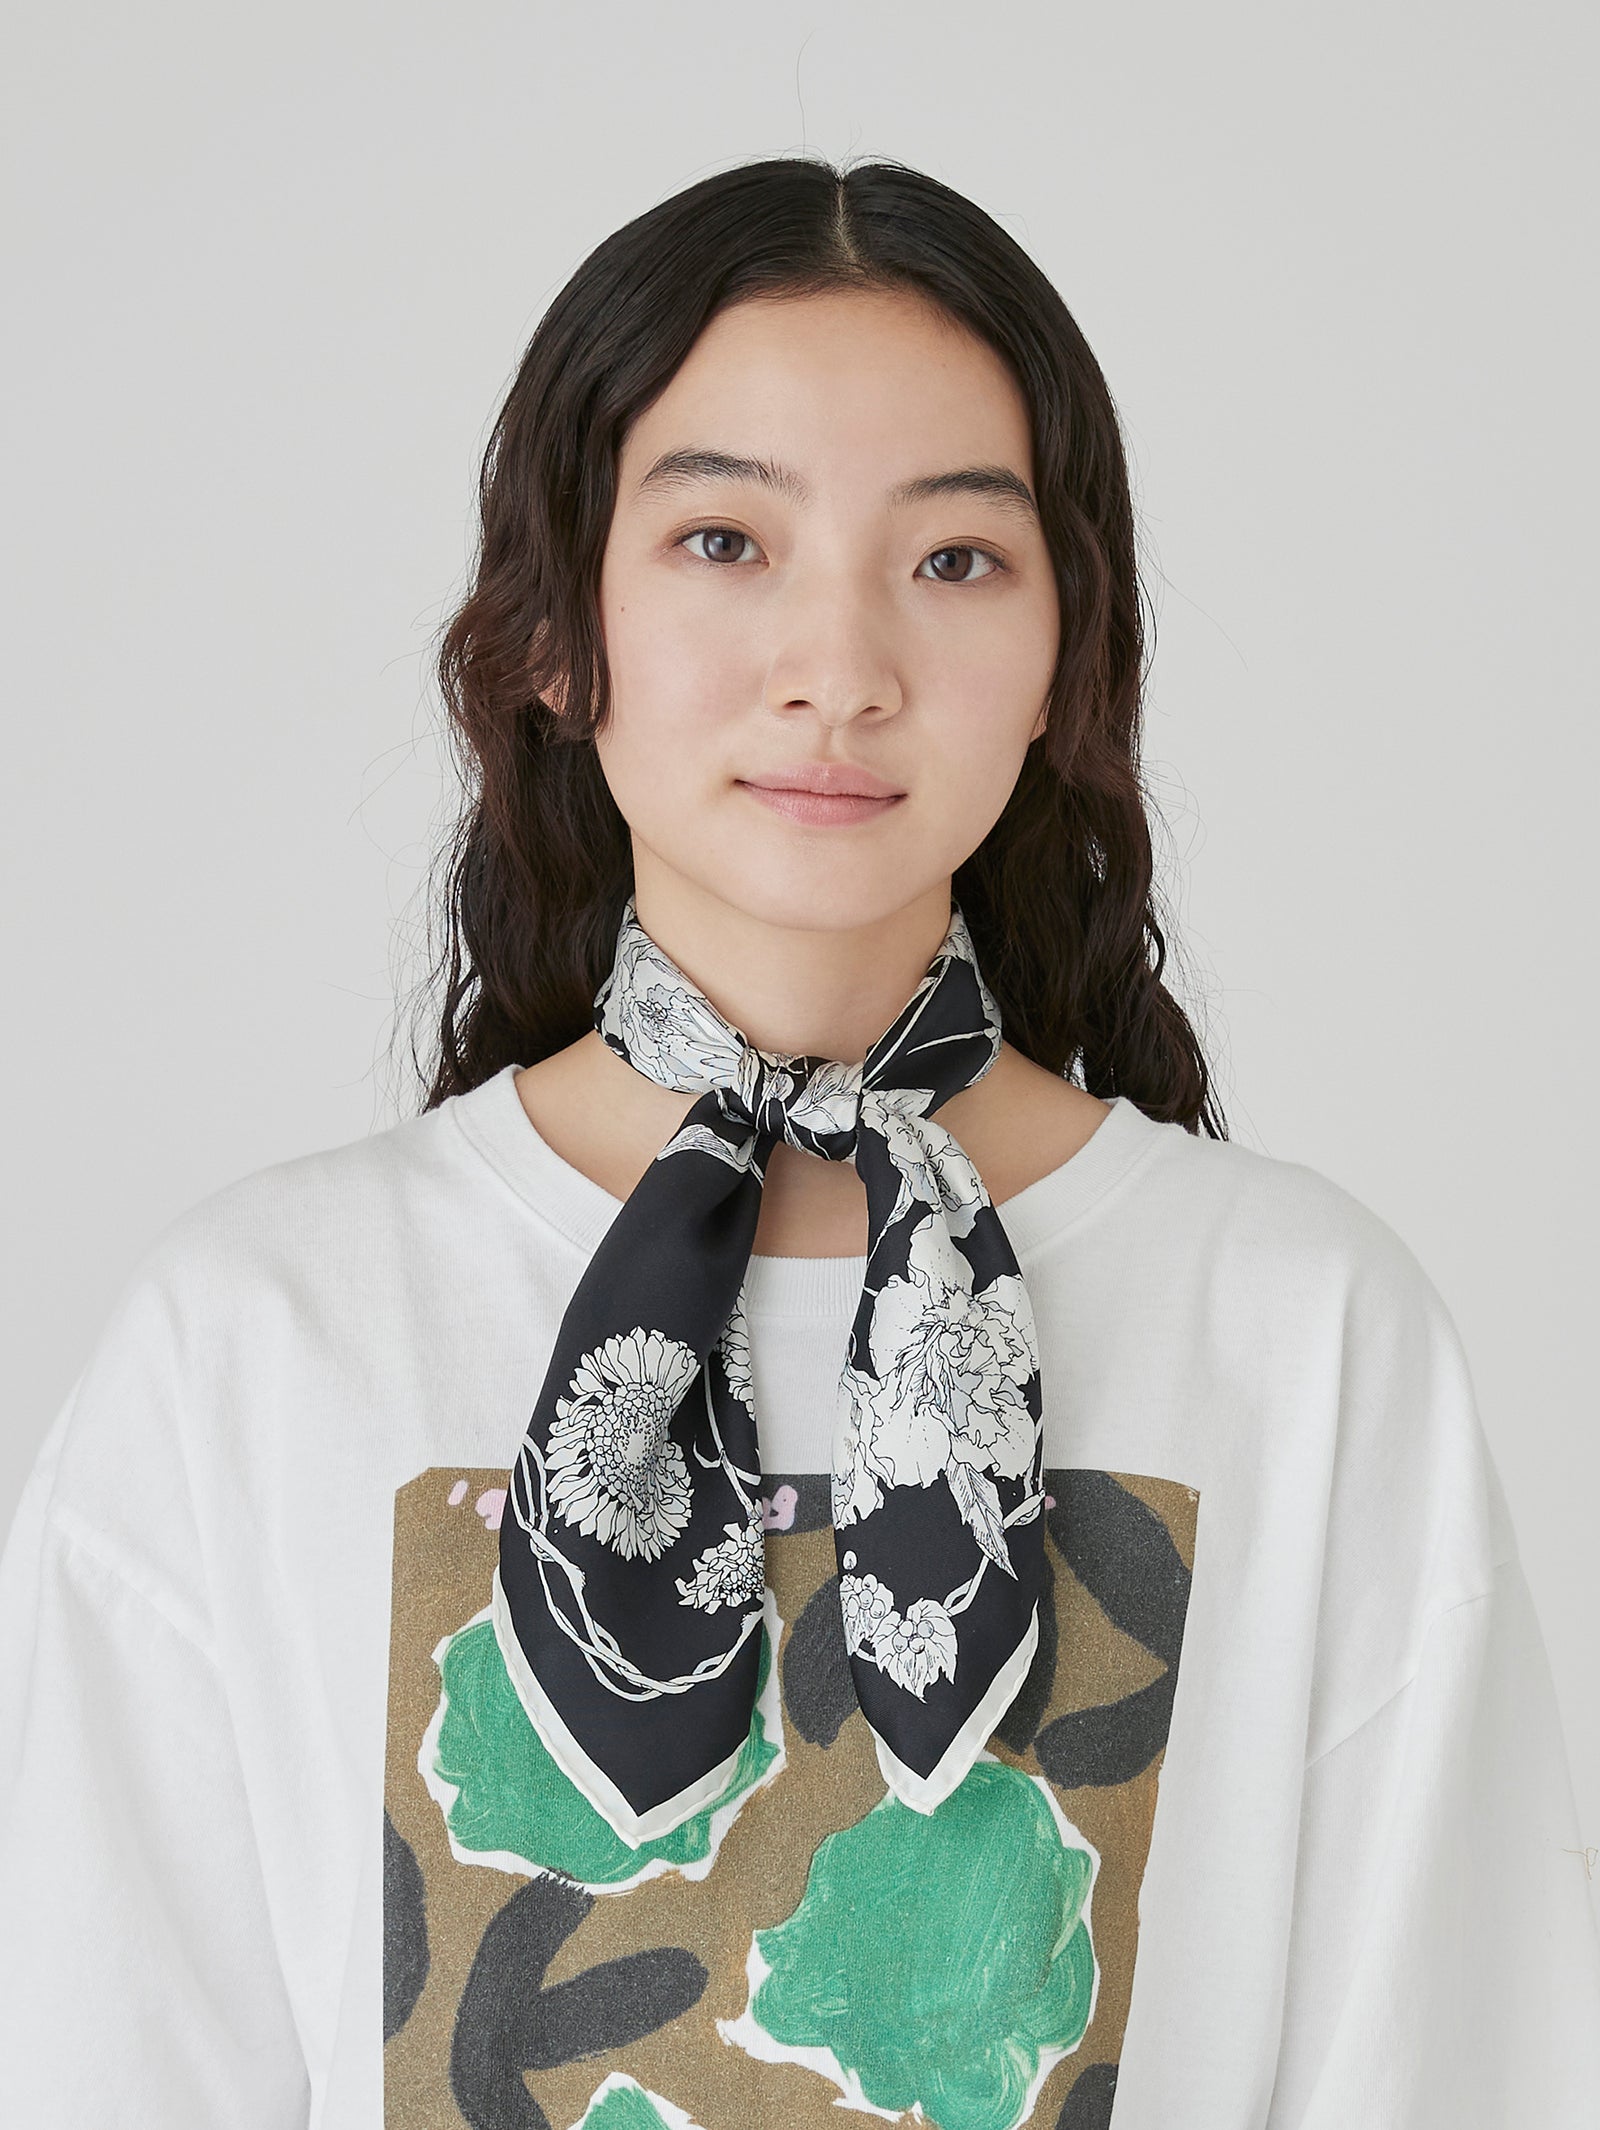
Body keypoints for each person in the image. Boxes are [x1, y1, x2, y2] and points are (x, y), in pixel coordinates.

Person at [0, 154, 1595, 2130]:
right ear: (555, 634)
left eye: (954, 559)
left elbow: (1463, 2069)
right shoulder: (256, 1340)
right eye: (722, 539)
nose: (838, 668)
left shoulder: (1304, 1333)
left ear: (1066, 659)